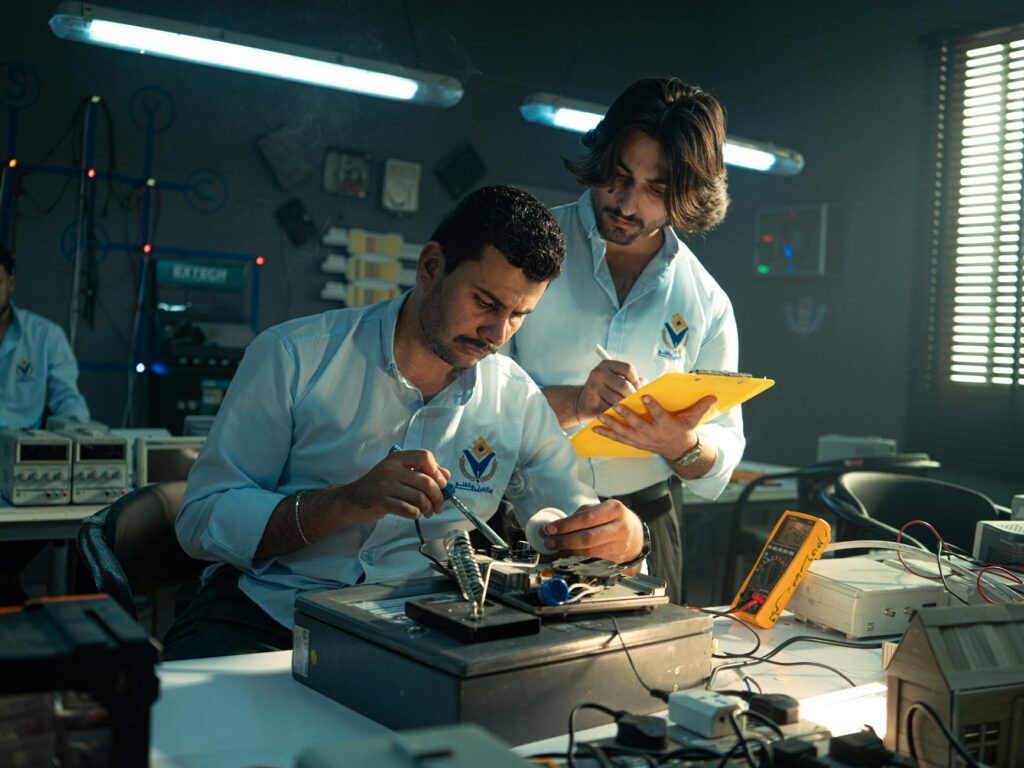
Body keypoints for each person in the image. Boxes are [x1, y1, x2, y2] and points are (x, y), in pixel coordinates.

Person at [164, 186, 647, 660]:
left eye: (519, 315)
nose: (497, 333)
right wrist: (347, 502)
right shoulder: (294, 357)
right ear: (431, 266)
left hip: (422, 625)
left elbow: (574, 519)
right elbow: (201, 520)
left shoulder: (515, 399)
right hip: (269, 613)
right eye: (485, 302)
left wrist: (623, 542)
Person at [509, 78, 744, 604]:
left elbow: (722, 456)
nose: (628, 204)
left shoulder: (706, 300)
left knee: (653, 656)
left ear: (687, 195)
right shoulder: (524, 256)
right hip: (524, 513)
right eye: (619, 176)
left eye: (657, 189)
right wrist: (576, 402)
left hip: (646, 521)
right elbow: (468, 401)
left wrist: (680, 444)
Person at [0, 242, 91, 604]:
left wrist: (83, 443)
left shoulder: (44, 336)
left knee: (88, 533)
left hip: (22, 470)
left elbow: (69, 402)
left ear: (11, 281)